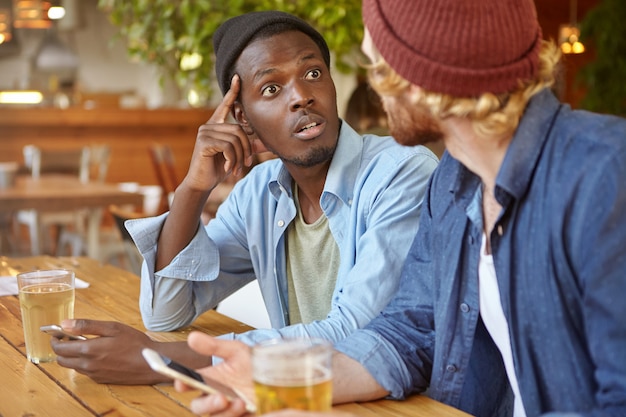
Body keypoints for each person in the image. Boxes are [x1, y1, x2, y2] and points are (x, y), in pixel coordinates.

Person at [175, 0, 626, 416]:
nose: (374, 83)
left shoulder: (605, 174)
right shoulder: (453, 184)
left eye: (381, 64)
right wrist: (279, 381)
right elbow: (406, 336)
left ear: (431, 69)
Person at [50, 11, 438, 384]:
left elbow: (359, 333)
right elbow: (167, 313)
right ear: (243, 118)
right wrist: (193, 188)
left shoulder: (400, 173)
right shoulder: (260, 193)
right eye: (271, 88)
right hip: (299, 396)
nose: (301, 96)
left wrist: (162, 361)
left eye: (313, 73)